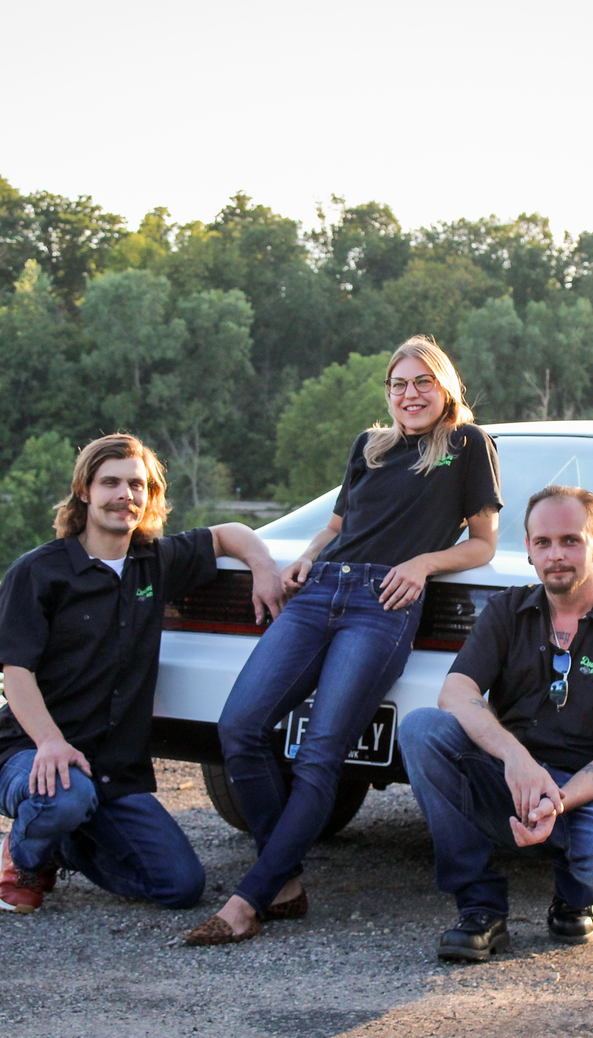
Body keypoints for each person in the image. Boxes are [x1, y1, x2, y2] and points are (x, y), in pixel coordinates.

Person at [185, 337, 502, 946]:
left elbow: (484, 544)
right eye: (398, 384)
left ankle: (247, 901)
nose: (410, 394)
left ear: (445, 388)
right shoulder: (369, 446)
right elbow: (335, 525)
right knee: (239, 728)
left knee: (320, 754)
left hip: (383, 604)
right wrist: (306, 557)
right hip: (320, 590)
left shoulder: (466, 444)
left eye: (423, 382)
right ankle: (283, 882)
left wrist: (424, 563)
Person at [0, 433, 284, 914]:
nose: (125, 495)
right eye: (111, 483)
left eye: (137, 485)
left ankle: (64, 844)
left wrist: (264, 567)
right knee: (65, 796)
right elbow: (16, 674)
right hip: (34, 753)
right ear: (84, 491)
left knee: (180, 888)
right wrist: (50, 742)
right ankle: (25, 855)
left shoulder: (155, 563)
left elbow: (228, 533)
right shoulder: (37, 573)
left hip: (112, 773)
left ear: (149, 496)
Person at [400, 484, 593, 962]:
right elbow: (455, 693)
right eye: (543, 542)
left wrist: (555, 802)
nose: (555, 555)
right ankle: (479, 907)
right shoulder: (507, 611)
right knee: (422, 730)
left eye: (570, 541)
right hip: (515, 779)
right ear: (528, 549)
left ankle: (576, 896)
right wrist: (517, 760)